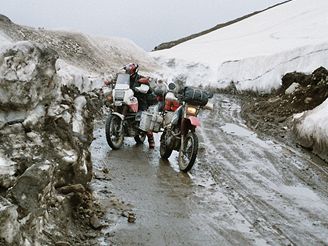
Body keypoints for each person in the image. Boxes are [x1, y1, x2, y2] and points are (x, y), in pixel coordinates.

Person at [123, 63, 156, 149]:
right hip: (126, 99)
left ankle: (151, 140)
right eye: (127, 70)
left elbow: (149, 90)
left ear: (134, 70)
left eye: (129, 70)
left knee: (145, 119)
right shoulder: (124, 78)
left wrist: (143, 88)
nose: (128, 71)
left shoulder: (140, 78)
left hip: (140, 101)